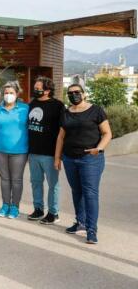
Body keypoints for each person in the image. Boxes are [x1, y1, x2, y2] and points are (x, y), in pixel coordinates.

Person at [54, 84, 112, 244]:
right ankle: (80, 222)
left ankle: (91, 229)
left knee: (90, 193)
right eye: (70, 93)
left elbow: (107, 133)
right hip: (70, 159)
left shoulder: (96, 110)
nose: (74, 95)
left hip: (90, 159)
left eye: (77, 92)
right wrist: (57, 158)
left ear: (84, 94)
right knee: (76, 191)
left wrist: (99, 149)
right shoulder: (66, 114)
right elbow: (60, 137)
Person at [27, 76, 65, 224]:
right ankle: (38, 209)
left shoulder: (58, 106)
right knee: (35, 182)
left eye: (38, 88)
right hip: (33, 152)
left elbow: (63, 131)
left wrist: (58, 156)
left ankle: (53, 213)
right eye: (35, 88)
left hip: (50, 153)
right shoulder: (32, 104)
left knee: (52, 185)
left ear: (47, 90)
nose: (35, 90)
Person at [0, 81, 29, 219]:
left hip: (20, 151)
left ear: (17, 94)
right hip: (0, 150)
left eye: (11, 93)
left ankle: (15, 207)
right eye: (6, 93)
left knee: (16, 180)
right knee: (4, 179)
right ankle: (5, 204)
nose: (8, 95)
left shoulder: (25, 109)